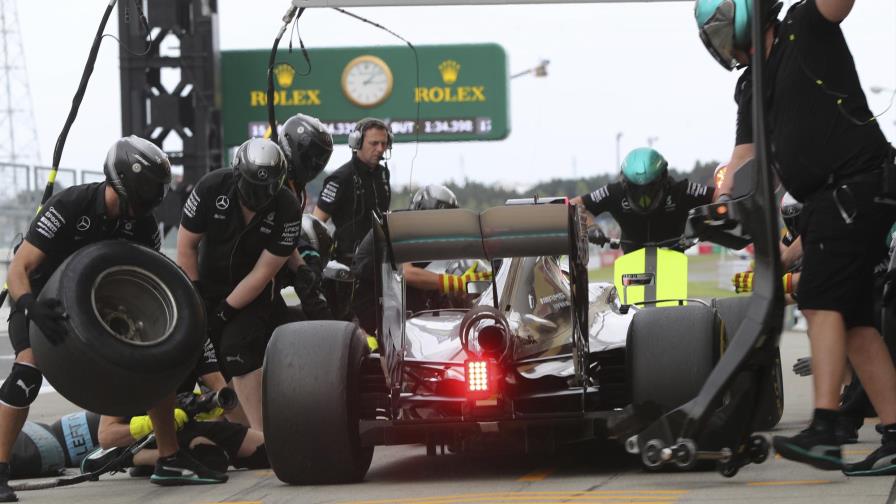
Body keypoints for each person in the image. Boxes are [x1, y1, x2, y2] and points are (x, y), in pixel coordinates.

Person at [695, 0, 896, 475]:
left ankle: (825, 428)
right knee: (854, 322)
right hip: (833, 199)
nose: (724, 47)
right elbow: (745, 154)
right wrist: (718, 201)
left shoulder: (805, 26)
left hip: (853, 185)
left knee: (818, 297)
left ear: (745, 16)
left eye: (722, 31)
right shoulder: (751, 86)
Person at [0, 136, 227, 500]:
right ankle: (0, 469)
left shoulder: (143, 227)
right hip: (42, 303)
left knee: (158, 363)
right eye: (137, 199)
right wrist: (29, 305)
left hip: (98, 307)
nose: (140, 209)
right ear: (120, 183)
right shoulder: (71, 205)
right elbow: (19, 268)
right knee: (27, 372)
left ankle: (169, 459)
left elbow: (151, 279)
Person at [176, 138, 301, 433]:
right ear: (237, 175)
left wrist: (224, 312)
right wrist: (197, 297)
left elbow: (263, 272)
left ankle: (261, 435)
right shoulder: (210, 188)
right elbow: (185, 247)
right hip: (204, 286)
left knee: (235, 347)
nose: (258, 195)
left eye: (266, 189)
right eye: (252, 187)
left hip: (252, 293)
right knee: (190, 350)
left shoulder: (287, 207)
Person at [351, 185, 492, 335]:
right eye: (437, 221)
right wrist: (455, 282)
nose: (441, 227)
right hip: (372, 305)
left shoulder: (430, 238)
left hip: (399, 300)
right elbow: (407, 273)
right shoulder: (396, 227)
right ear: (421, 213)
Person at [312, 118, 392, 319]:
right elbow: (314, 224)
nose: (380, 149)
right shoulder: (340, 178)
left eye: (384, 143)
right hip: (349, 271)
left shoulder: (383, 175)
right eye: (374, 143)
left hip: (380, 267)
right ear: (356, 143)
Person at [570, 147, 714, 253]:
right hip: (631, 261)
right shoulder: (615, 192)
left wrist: (703, 221)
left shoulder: (679, 189)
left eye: (650, 189)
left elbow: (717, 197)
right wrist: (591, 227)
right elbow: (575, 204)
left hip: (672, 258)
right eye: (635, 189)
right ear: (625, 184)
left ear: (664, 181)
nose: (644, 198)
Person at [277, 113, 335, 321]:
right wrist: (303, 268)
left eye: (319, 160)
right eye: (310, 157)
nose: (314, 164)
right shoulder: (275, 182)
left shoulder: (296, 189)